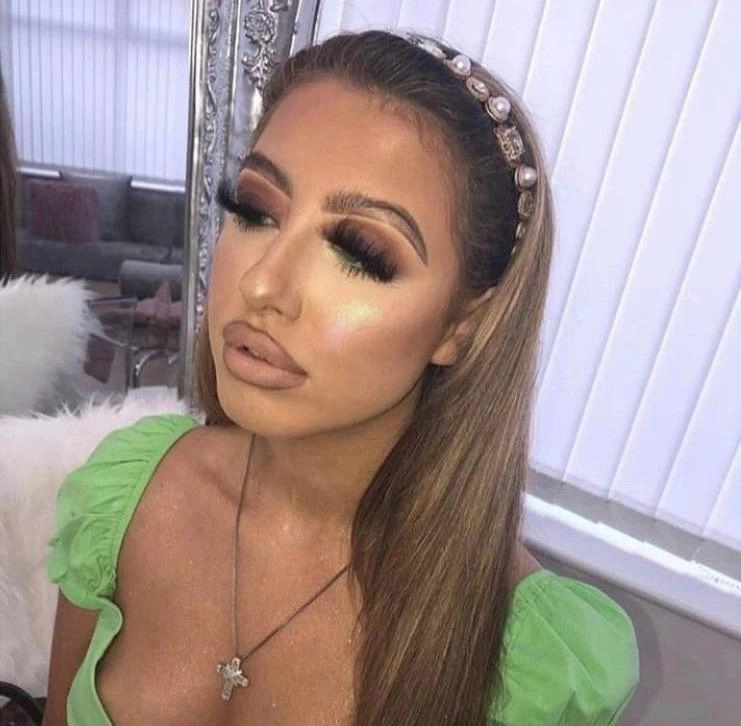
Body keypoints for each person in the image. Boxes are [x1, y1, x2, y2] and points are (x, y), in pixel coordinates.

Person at [43, 30, 639, 725]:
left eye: (359, 253)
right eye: (255, 211)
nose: (262, 283)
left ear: (461, 325)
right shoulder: (123, 498)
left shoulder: (530, 664)